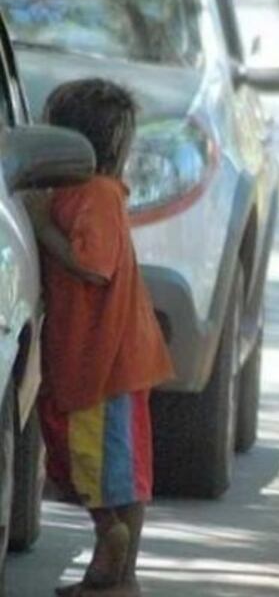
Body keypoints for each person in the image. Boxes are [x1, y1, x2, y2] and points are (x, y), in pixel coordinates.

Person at [26, 79, 174, 597]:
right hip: (96, 356)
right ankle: (108, 573)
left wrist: (44, 227)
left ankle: (117, 560)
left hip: (108, 359)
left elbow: (93, 266)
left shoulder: (97, 195)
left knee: (107, 465)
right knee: (104, 464)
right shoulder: (82, 193)